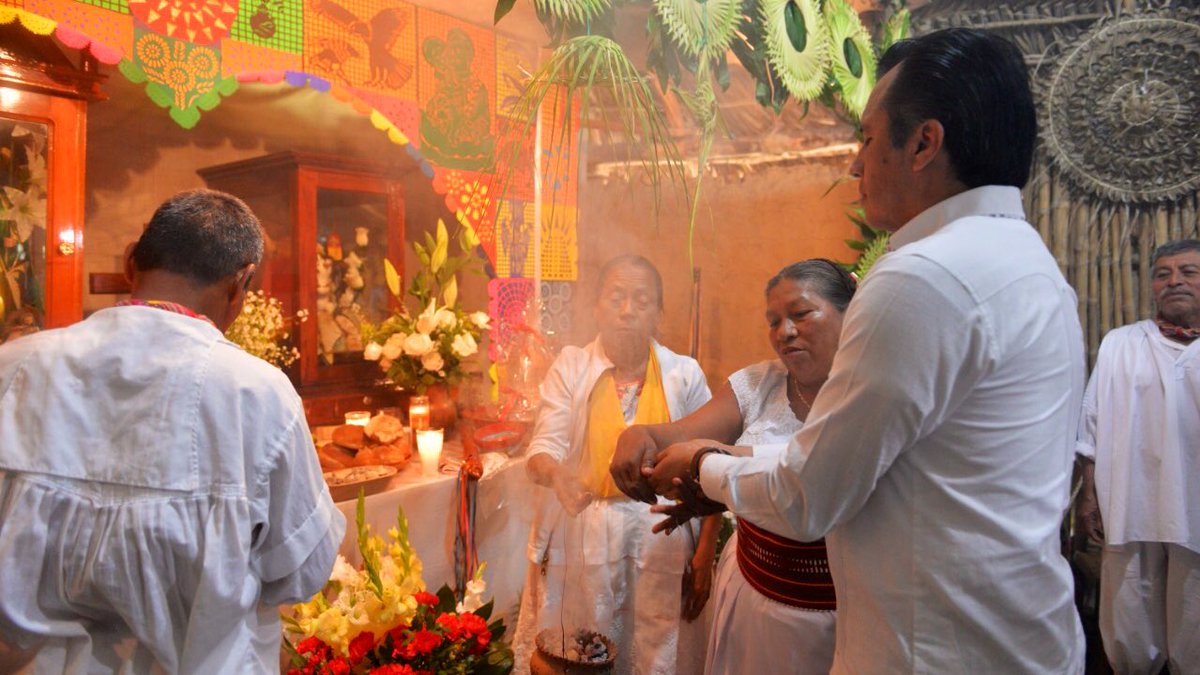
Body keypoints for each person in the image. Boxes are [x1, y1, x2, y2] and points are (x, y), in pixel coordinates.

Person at [614, 28, 1087, 672]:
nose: (855, 165)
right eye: (771, 319)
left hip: (936, 652)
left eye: (866, 138)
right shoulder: (1036, 269)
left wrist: (703, 468)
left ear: (923, 143)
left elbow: (811, 495)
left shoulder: (923, 277)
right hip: (1019, 638)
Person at [0, 189, 345, 672]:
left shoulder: (13, 367)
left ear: (129, 264)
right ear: (241, 282)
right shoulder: (255, 392)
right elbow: (301, 572)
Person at [615, 259, 854, 674]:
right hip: (750, 591)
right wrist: (642, 436)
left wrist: (712, 464)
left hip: (839, 616)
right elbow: (683, 433)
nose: (785, 332)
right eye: (773, 321)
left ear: (850, 313)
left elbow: (813, 471)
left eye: (801, 314)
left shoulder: (872, 394)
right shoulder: (759, 384)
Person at [511, 254, 716, 674]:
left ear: (658, 313)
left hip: (663, 534)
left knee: (659, 649)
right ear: (596, 307)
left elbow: (711, 463)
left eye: (641, 300)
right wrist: (557, 475)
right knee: (588, 647)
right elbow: (542, 448)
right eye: (616, 297)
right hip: (587, 532)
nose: (627, 310)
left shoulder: (684, 374)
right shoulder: (572, 366)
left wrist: (705, 553)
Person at [1074, 239, 1200, 674]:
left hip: (1196, 509)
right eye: (1163, 274)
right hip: (1131, 501)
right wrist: (1089, 496)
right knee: (1129, 617)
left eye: (1188, 272)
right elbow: (1091, 428)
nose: (1175, 281)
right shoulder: (1120, 344)